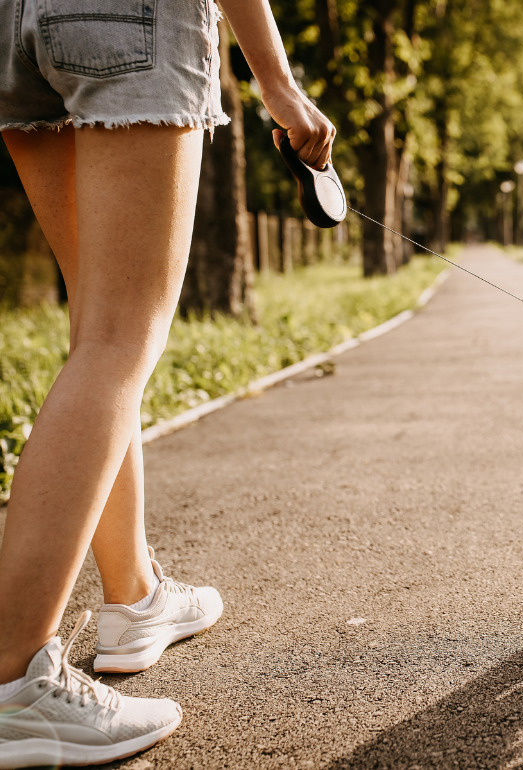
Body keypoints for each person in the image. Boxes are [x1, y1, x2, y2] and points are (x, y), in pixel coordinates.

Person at [0, 0, 334, 764]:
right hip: (127, 20)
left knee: (97, 332)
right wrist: (277, 82)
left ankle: (135, 599)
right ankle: (15, 683)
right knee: (120, 340)